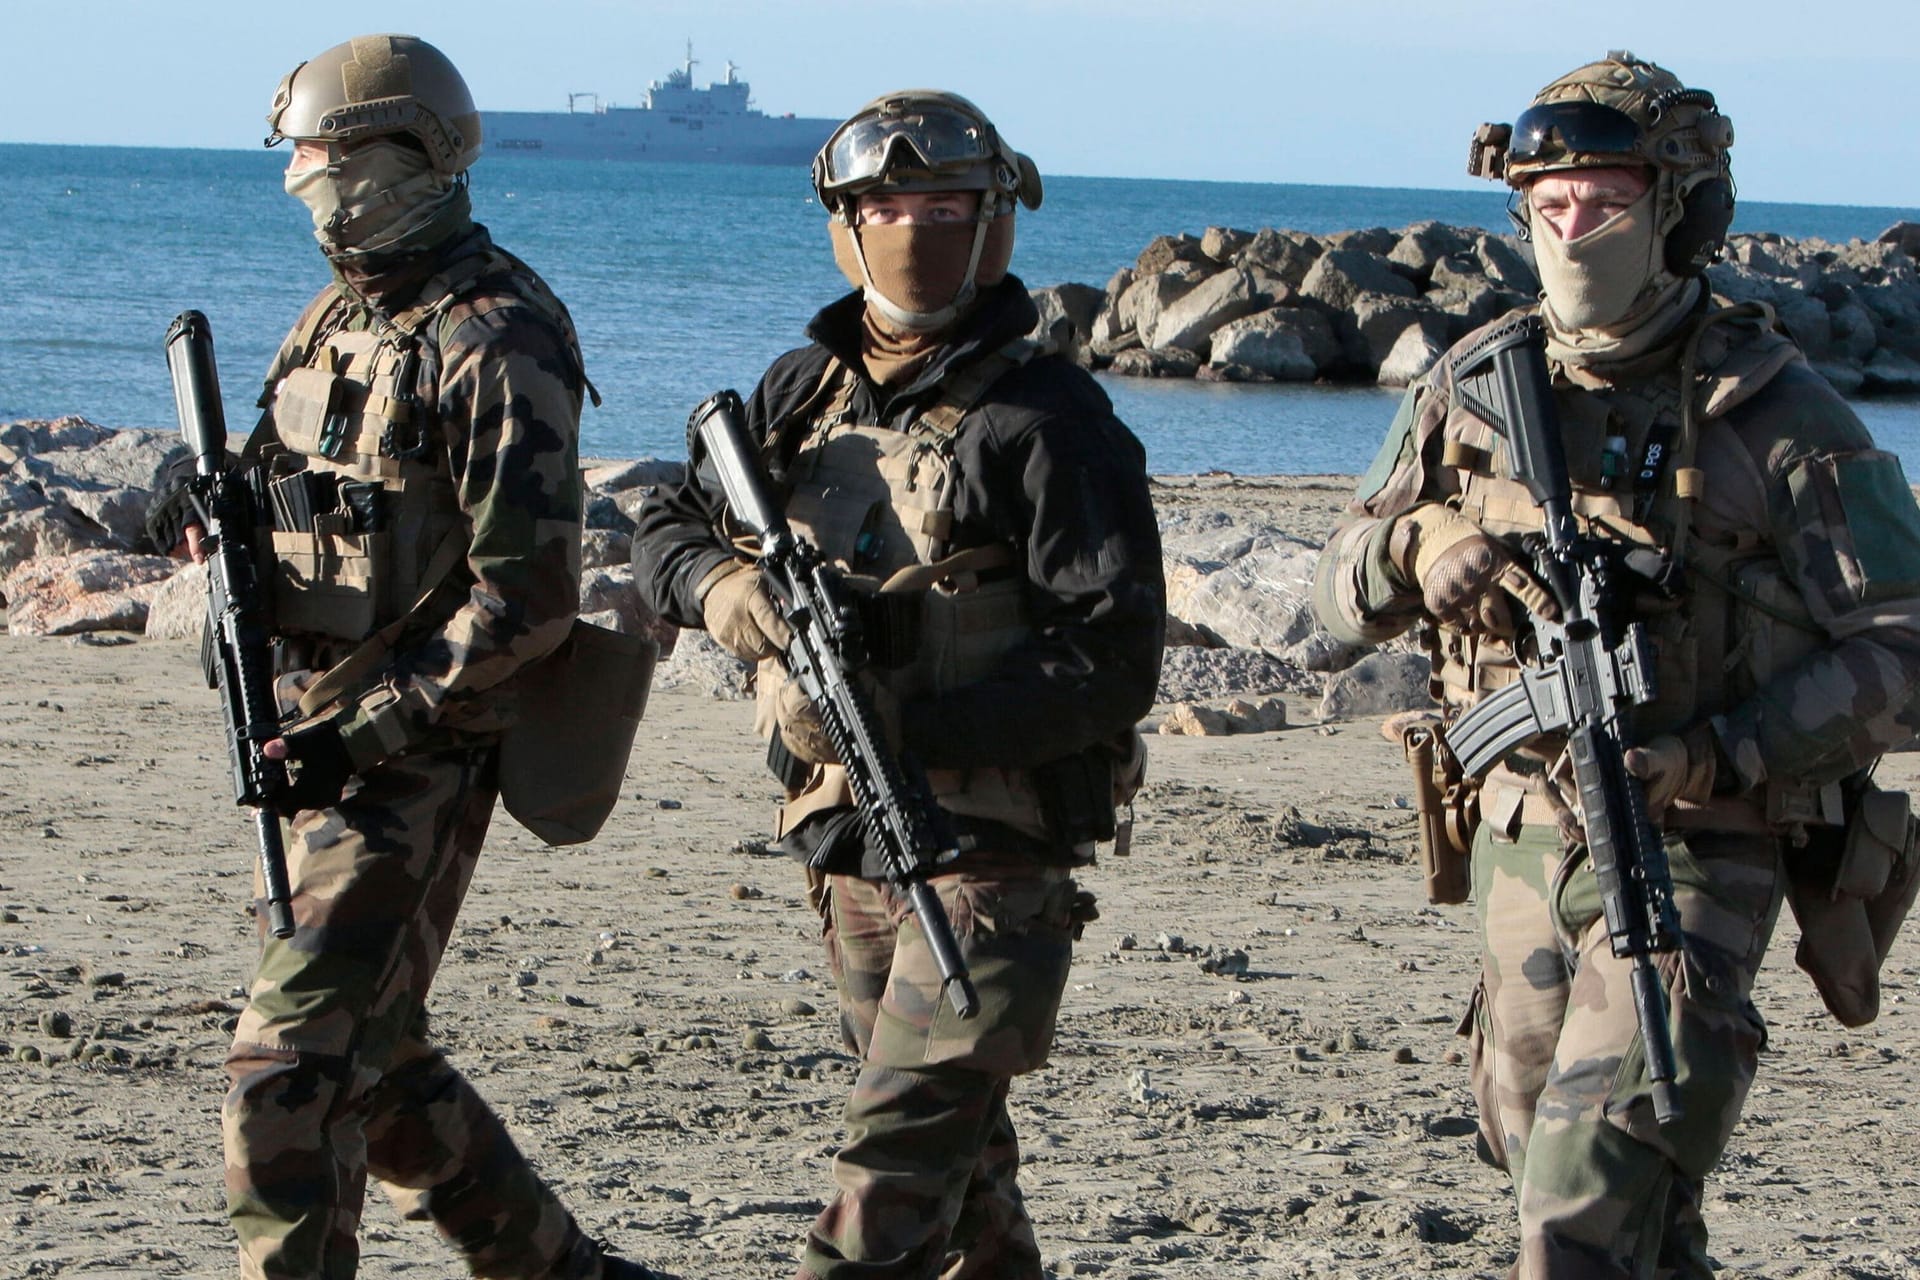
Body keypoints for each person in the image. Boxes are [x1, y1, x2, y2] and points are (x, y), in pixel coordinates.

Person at [1312, 51, 1920, 1279]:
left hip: (1701, 841)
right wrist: (1416, 544)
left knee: (1580, 1204)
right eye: (1549, 201)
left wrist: (1717, 749)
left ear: (1680, 206)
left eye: (1605, 197)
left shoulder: (1780, 414)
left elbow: (1904, 648)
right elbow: (1335, 588)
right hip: (1522, 836)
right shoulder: (1471, 386)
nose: (1573, 224)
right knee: (1608, 1188)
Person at [148, 33, 664, 1280]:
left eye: (323, 152)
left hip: (423, 748)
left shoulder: (499, 339)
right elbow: (291, 476)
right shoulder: (342, 314)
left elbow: (523, 601)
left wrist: (365, 729)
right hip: (314, 726)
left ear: (402, 157)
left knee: (284, 1074)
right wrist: (200, 496)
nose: (304, 179)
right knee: (374, 1057)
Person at [631, 90, 1165, 1280]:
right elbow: (663, 520)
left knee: (887, 1187)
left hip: (993, 859)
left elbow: (1113, 661)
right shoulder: (799, 393)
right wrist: (729, 592)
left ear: (993, 221)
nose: (912, 226)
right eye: (884, 203)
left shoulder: (1049, 420)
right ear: (843, 221)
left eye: (943, 204)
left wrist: (908, 721)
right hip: (847, 847)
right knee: (971, 1192)